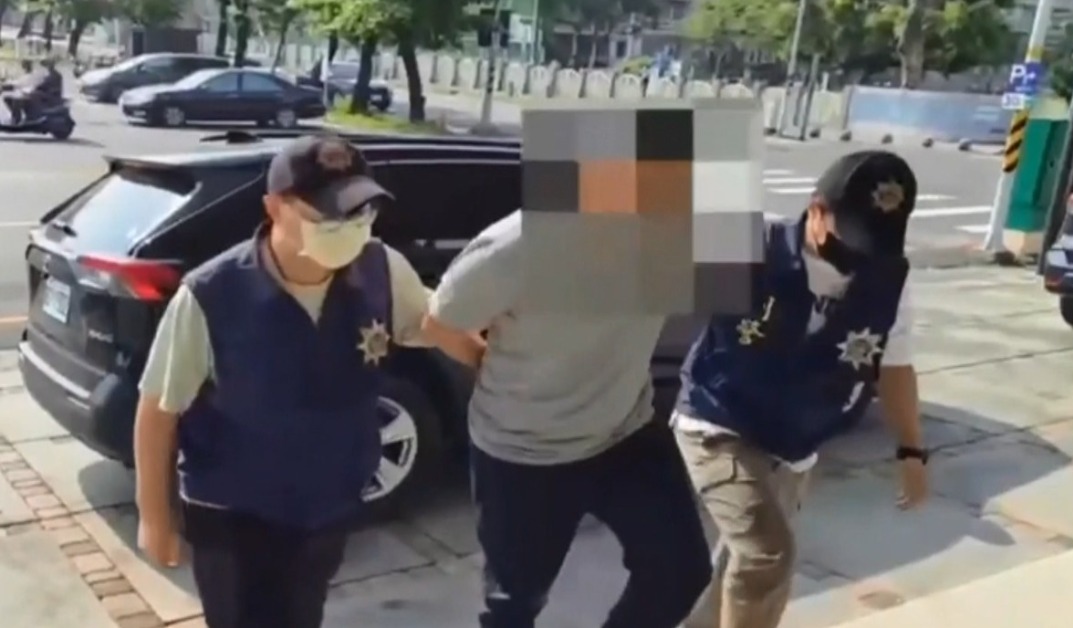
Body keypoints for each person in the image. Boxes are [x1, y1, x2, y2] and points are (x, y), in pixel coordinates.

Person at [133, 135, 476, 628]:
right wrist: (155, 518)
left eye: (360, 212)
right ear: (275, 208)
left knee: (301, 614)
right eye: (328, 215)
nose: (348, 227)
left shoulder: (380, 269)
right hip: (234, 510)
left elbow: (433, 325)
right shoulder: (212, 294)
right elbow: (157, 410)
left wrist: (495, 361)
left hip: (327, 504)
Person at [419, 103, 719, 626]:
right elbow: (439, 322)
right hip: (524, 450)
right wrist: (486, 362)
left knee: (681, 571)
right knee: (515, 604)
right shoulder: (515, 247)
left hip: (623, 433)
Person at [672, 150, 930, 628]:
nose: (860, 255)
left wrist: (912, 450)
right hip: (719, 420)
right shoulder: (754, 248)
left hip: (794, 443)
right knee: (767, 556)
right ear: (816, 210)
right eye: (851, 236)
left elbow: (894, 368)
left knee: (745, 569)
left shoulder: (888, 281)